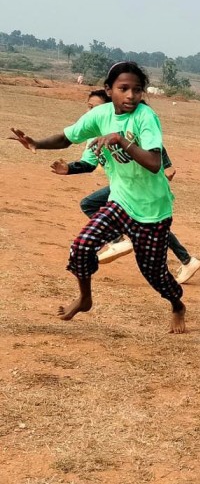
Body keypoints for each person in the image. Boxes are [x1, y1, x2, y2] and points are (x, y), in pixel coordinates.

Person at [9, 61, 187, 333]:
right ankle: (84, 297)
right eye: (123, 88)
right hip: (120, 202)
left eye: (137, 90)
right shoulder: (100, 114)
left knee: (155, 275)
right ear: (109, 89)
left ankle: (177, 305)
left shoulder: (145, 117)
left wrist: (121, 140)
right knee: (81, 247)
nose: (131, 96)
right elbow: (68, 137)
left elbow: (153, 162)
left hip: (153, 210)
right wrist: (36, 143)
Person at [53, 89, 200, 283]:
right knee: (147, 224)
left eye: (95, 108)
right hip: (123, 187)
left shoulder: (125, 127)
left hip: (143, 185)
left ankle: (119, 240)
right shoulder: (94, 135)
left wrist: (167, 165)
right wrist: (69, 169)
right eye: (88, 108)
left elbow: (154, 146)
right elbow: (89, 163)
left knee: (97, 206)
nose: (90, 112)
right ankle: (186, 259)